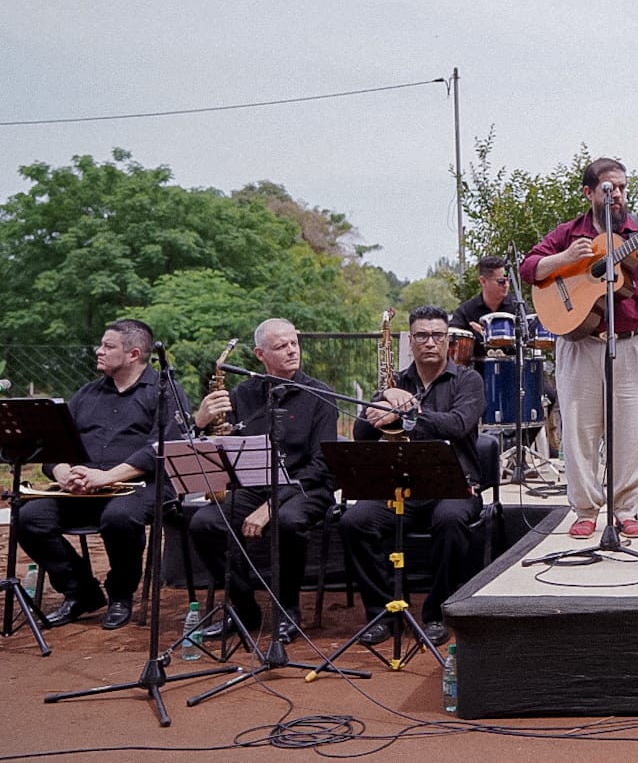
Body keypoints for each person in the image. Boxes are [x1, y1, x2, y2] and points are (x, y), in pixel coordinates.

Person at [520, 158, 638, 539]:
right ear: (589, 192)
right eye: (609, 188)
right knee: (579, 429)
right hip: (580, 343)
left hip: (634, 342)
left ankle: (627, 510)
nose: (619, 195)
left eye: (623, 187)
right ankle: (585, 510)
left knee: (633, 430)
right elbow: (530, 268)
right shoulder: (568, 232)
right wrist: (564, 259)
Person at [16, 319, 186, 630]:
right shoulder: (86, 393)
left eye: (108, 346)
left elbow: (161, 449)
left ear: (133, 354)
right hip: (83, 487)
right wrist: (63, 471)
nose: (99, 351)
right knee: (29, 518)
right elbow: (54, 446)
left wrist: (106, 477)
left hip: (142, 486)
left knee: (119, 518)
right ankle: (81, 592)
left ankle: (121, 595)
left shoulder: (165, 391)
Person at [341, 305, 487, 646]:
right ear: (411, 343)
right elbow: (363, 436)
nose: (430, 342)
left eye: (437, 335)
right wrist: (377, 406)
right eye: (422, 335)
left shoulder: (468, 380)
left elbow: (458, 424)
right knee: (354, 521)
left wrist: (408, 412)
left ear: (448, 340)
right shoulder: (395, 384)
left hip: (454, 486)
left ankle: (436, 613)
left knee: (450, 522)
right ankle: (382, 614)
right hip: (397, 485)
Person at [189, 319, 338, 643]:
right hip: (254, 485)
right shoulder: (242, 393)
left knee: (286, 521)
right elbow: (217, 444)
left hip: (305, 487)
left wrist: (272, 505)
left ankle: (287, 609)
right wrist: (201, 422)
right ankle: (243, 608)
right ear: (260, 354)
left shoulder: (320, 395)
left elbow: (321, 465)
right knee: (205, 523)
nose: (291, 350)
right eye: (281, 346)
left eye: (294, 343)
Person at [448, 254, 512, 364]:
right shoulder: (466, 311)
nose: (506, 285)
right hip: (476, 374)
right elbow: (451, 337)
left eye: (508, 280)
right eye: (501, 281)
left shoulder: (517, 308)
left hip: (515, 372)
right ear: (483, 281)